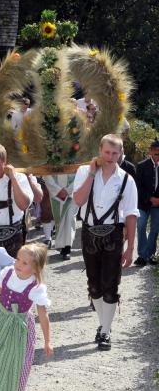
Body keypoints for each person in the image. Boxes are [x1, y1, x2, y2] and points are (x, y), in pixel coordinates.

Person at [73, 134, 139, 351]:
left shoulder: (127, 180)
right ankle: (104, 325)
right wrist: (92, 173)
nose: (110, 157)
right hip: (89, 233)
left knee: (110, 286)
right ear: (100, 150)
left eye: (115, 153)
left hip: (113, 235)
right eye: (107, 152)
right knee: (94, 286)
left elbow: (130, 214)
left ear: (120, 154)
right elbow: (78, 200)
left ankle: (105, 331)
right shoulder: (84, 172)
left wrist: (130, 249)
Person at [0, 243, 53, 391]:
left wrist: (48, 341)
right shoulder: (8, 273)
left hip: (19, 324)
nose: (18, 264)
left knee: (15, 356)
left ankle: (10, 389)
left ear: (35, 268)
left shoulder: (36, 287)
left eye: (25, 263)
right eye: (18, 259)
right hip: (1, 317)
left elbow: (43, 314)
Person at [134, 138, 159, 266]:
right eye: (155, 151)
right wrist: (150, 198)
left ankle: (150, 254)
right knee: (141, 225)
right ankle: (142, 256)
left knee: (155, 228)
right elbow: (137, 186)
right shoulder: (141, 165)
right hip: (143, 203)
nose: (157, 154)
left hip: (158, 204)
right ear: (150, 152)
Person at [44, 174, 78, 259]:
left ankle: (67, 248)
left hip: (72, 192)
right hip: (56, 193)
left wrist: (68, 190)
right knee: (60, 219)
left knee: (70, 218)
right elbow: (46, 173)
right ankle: (62, 245)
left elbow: (80, 173)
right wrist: (57, 190)